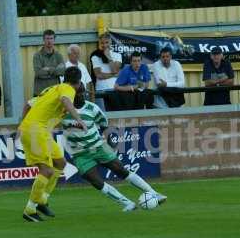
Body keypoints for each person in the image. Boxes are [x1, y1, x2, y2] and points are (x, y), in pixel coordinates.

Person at [61, 83, 167, 211]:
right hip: (79, 153)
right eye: (78, 93)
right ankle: (127, 203)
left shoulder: (92, 108)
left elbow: (104, 125)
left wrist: (111, 143)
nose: (81, 96)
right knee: (96, 181)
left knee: (121, 170)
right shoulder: (62, 111)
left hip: (98, 146)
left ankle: (154, 193)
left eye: (82, 93)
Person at [18, 66, 86, 222]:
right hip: (36, 131)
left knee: (60, 163)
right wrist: (79, 119)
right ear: (77, 83)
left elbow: (29, 105)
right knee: (46, 171)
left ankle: (42, 200)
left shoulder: (52, 90)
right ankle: (30, 209)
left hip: (39, 130)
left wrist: (23, 123)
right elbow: (65, 100)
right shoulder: (67, 89)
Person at [90, 33, 122, 111]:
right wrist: (114, 75)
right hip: (101, 90)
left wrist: (108, 57)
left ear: (111, 42)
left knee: (116, 113)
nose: (104, 45)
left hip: (115, 89)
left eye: (106, 42)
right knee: (103, 114)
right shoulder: (95, 56)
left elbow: (115, 70)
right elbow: (99, 75)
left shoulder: (117, 55)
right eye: (102, 43)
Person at [33, 29, 65, 95]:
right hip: (41, 92)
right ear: (43, 40)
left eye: (51, 38)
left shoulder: (58, 55)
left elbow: (62, 71)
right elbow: (39, 73)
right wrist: (55, 70)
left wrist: (48, 69)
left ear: (54, 40)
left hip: (55, 91)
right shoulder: (37, 56)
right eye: (47, 38)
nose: (49, 41)